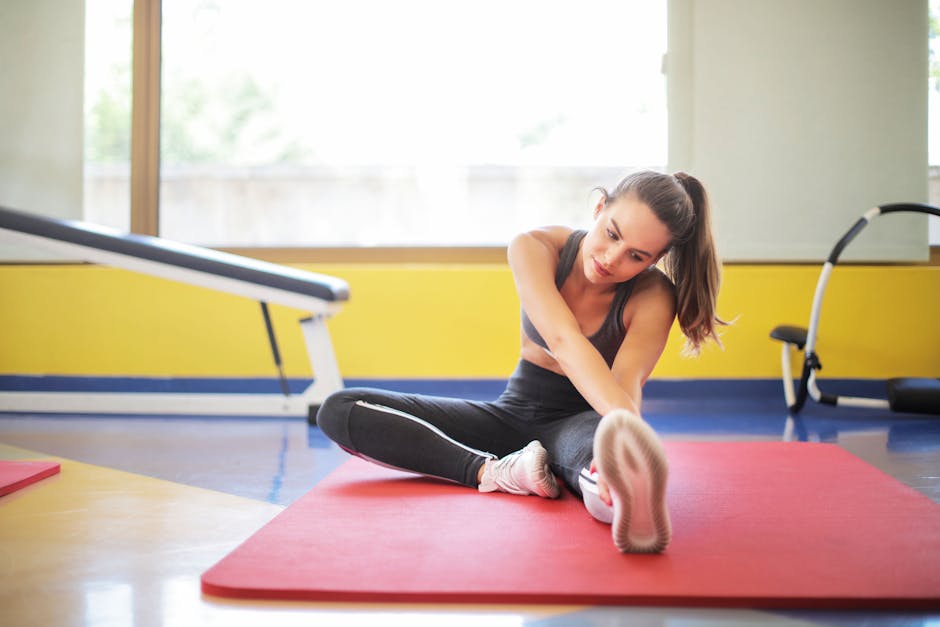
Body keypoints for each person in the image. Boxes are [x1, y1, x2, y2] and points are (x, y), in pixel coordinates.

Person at [316, 170, 725, 553]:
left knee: (604, 475)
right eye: (611, 234)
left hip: (583, 422)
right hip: (510, 413)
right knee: (340, 410)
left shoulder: (653, 295)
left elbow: (627, 381)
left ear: (654, 261)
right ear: (599, 208)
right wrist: (625, 426)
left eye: (636, 256)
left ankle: (622, 494)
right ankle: (494, 472)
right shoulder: (534, 247)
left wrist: (620, 442)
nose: (612, 258)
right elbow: (563, 339)